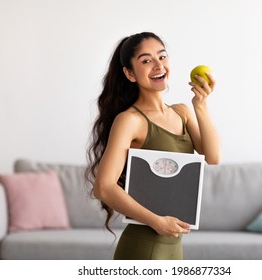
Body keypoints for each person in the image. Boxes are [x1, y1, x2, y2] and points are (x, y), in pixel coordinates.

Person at [85, 32, 221, 260]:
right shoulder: (130, 121)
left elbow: (213, 157)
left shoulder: (182, 112)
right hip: (144, 245)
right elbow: (104, 187)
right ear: (130, 74)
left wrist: (200, 105)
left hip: (173, 244)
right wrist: (157, 222)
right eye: (146, 61)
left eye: (162, 56)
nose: (159, 65)